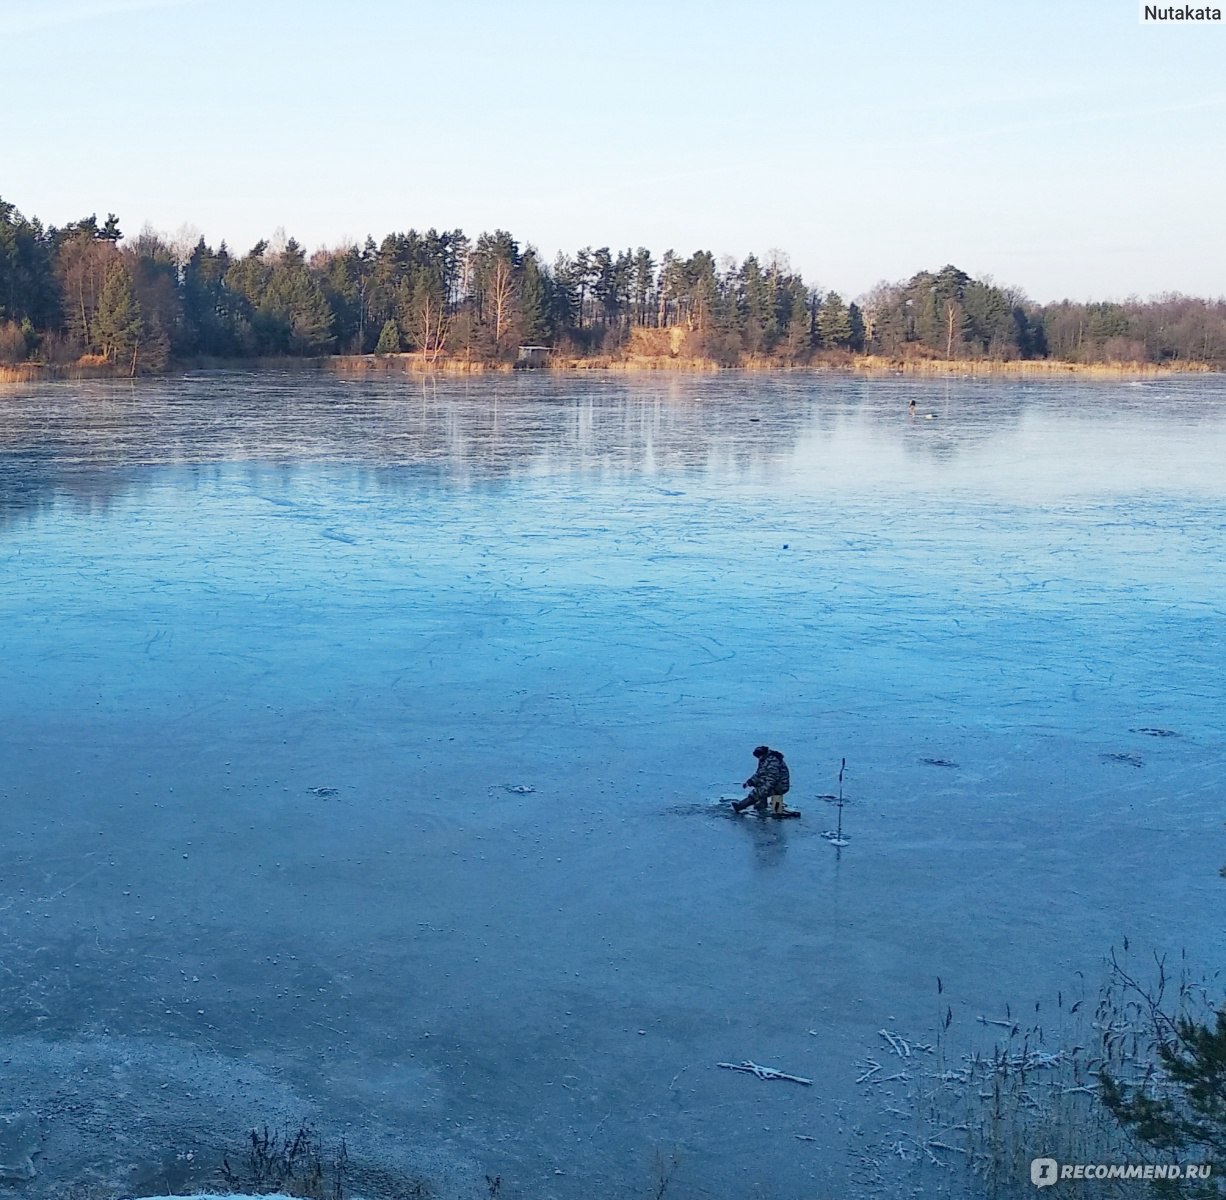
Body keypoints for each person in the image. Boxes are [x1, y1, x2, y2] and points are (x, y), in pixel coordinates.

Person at [732, 745, 791, 814]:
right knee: (760, 786)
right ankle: (764, 805)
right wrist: (750, 781)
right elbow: (760, 773)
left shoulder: (773, 762)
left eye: (759, 756)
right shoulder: (765, 759)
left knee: (758, 793)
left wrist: (762, 791)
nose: (758, 759)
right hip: (776, 783)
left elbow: (772, 779)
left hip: (780, 785)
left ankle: (741, 806)